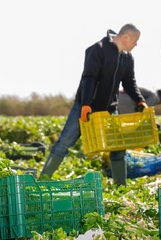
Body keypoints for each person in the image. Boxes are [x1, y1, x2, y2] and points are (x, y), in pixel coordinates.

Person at [39, 23, 148, 186]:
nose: (136, 45)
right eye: (136, 41)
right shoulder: (98, 49)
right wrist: (86, 104)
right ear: (127, 37)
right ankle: (43, 180)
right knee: (65, 142)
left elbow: (129, 82)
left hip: (110, 109)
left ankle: (120, 186)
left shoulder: (127, 58)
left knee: (118, 147)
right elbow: (89, 78)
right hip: (86, 107)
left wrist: (140, 100)